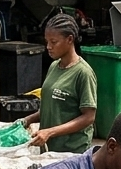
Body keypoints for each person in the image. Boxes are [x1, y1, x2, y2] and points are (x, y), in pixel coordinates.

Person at [21, 13, 97, 153]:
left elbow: (88, 117)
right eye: (47, 41)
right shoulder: (54, 66)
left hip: (71, 152)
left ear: (69, 39)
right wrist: (26, 120)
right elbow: (50, 107)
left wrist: (50, 132)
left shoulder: (83, 73)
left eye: (54, 42)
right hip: (50, 149)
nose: (48, 46)